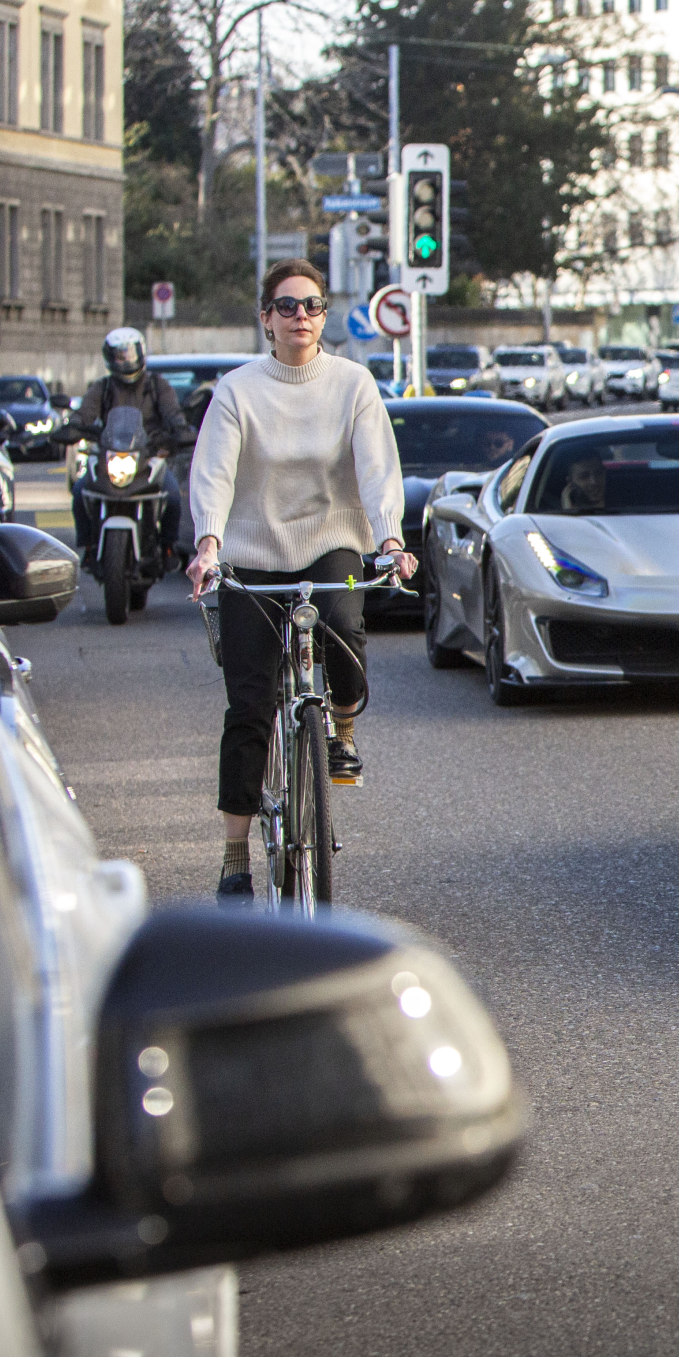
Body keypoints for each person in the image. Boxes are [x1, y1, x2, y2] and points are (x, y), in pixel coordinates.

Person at [184, 259, 415, 901]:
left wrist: (389, 538)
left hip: (329, 541)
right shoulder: (237, 391)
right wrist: (208, 543)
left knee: (344, 625)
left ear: (323, 317)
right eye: (286, 307)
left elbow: (376, 469)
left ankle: (339, 730)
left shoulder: (353, 384)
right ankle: (235, 854)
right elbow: (214, 474)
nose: (301, 317)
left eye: (311, 306)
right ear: (266, 319)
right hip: (252, 550)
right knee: (249, 708)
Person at [66, 326, 193, 551]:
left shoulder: (157, 385)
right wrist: (72, 427)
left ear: (141, 353)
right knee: (79, 491)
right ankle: (87, 546)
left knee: (172, 495)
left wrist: (180, 431)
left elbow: (173, 413)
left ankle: (168, 548)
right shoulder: (102, 387)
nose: (126, 361)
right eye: (119, 356)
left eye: (130, 354)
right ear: (109, 358)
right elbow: (85, 413)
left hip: (149, 455)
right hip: (110, 454)